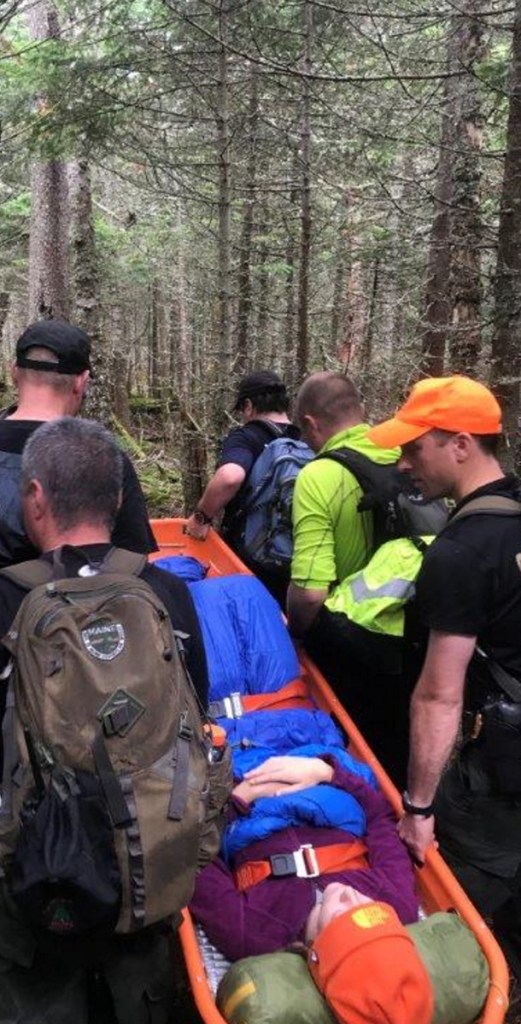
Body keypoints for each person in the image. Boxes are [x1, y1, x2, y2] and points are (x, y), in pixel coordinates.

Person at [0, 416, 214, 1024]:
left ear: (34, 496)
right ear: (119, 500)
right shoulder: (167, 593)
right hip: (149, 860)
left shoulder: (5, 597)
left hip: (39, 874)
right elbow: (196, 712)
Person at [368, 374, 521, 976]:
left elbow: (438, 695)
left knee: (460, 914)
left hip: (494, 778)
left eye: (415, 448)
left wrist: (419, 807)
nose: (404, 465)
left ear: (460, 444)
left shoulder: (460, 552)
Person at [286, 371, 409, 784]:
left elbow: (309, 591)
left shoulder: (318, 476)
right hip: (418, 634)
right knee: (401, 749)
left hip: (353, 646)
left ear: (310, 424)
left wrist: (296, 634)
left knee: (353, 756)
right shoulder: (406, 456)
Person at [189, 752, 419, 961]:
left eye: (343, 914)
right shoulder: (396, 906)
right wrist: (327, 772)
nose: (350, 893)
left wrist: (241, 797)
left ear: (316, 952)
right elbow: (379, 815)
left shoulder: (253, 934)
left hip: (231, 786)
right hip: (322, 773)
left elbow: (194, 858)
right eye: (368, 906)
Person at [0, 319, 157, 567]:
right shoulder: (103, 456)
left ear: (14, 372)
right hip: (71, 603)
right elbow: (132, 562)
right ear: (81, 382)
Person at [184, 370, 299, 603]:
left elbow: (230, 476)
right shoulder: (306, 437)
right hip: (299, 559)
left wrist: (201, 517)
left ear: (248, 405)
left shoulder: (246, 437)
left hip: (251, 559)